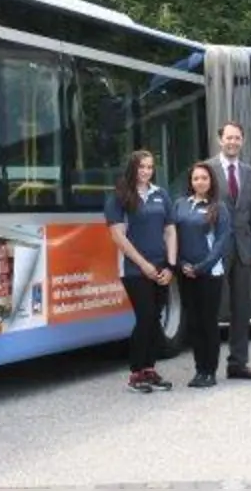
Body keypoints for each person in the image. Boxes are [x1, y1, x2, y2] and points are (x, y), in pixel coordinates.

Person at [104, 149, 178, 393]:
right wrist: (144, 264)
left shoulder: (161, 195)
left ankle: (149, 369)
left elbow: (170, 231)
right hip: (134, 269)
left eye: (149, 167)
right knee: (145, 316)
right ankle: (136, 373)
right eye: (141, 167)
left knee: (155, 319)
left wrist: (170, 265)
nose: (146, 171)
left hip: (160, 266)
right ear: (132, 169)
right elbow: (118, 237)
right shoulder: (119, 197)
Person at [208, 121, 251, 380]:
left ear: (242, 141)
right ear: (220, 140)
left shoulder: (250, 172)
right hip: (216, 250)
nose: (232, 142)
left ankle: (238, 364)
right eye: (228, 137)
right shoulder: (206, 169)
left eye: (237, 138)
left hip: (244, 249)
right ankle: (207, 366)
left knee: (242, 309)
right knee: (211, 308)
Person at [173, 161, 232, 388]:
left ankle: (210, 371)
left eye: (204, 178)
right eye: (196, 178)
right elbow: (172, 237)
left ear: (211, 182)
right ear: (190, 182)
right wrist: (181, 264)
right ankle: (199, 370)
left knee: (208, 322)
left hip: (210, 273)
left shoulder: (219, 207)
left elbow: (221, 243)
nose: (200, 182)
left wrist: (201, 267)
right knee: (194, 324)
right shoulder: (180, 205)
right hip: (185, 272)